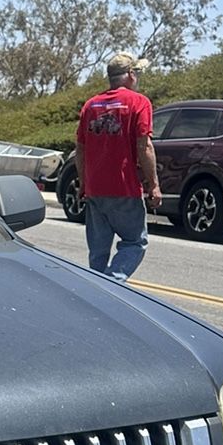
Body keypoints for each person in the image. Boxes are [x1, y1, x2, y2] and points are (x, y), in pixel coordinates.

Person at [74, 52, 161, 281]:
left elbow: (80, 149)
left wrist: (83, 183)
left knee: (98, 251)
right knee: (134, 242)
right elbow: (144, 146)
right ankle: (112, 283)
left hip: (95, 189)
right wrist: (154, 185)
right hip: (124, 187)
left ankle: (96, 287)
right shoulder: (139, 102)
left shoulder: (91, 105)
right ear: (131, 74)